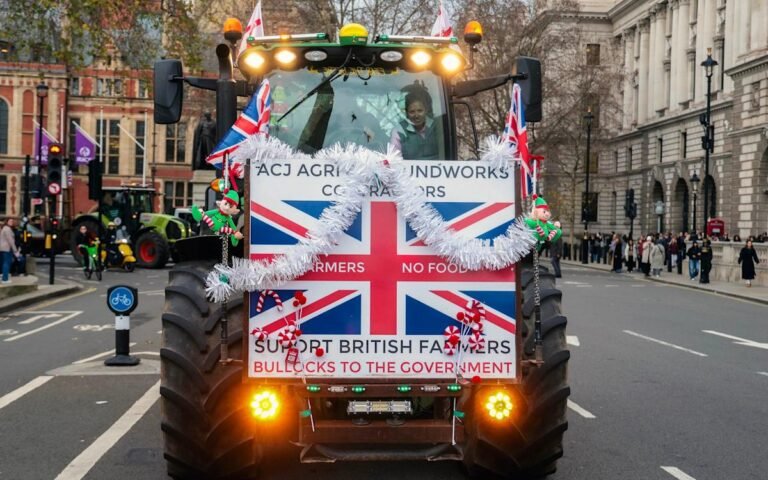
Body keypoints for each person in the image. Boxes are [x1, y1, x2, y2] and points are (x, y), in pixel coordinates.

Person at [390, 92, 440, 160]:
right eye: (412, 112)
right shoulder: (399, 131)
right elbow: (394, 160)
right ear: (406, 113)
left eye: (420, 111)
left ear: (426, 110)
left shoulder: (438, 126)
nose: (416, 115)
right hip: (408, 170)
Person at [1, 218, 21, 284]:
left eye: (12, 221)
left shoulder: (4, 228)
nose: (11, 222)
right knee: (7, 263)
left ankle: (3, 275)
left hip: (3, 248)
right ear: (6, 222)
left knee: (3, 263)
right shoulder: (7, 229)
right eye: (10, 221)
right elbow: (11, 241)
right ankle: (5, 279)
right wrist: (15, 250)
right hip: (7, 248)